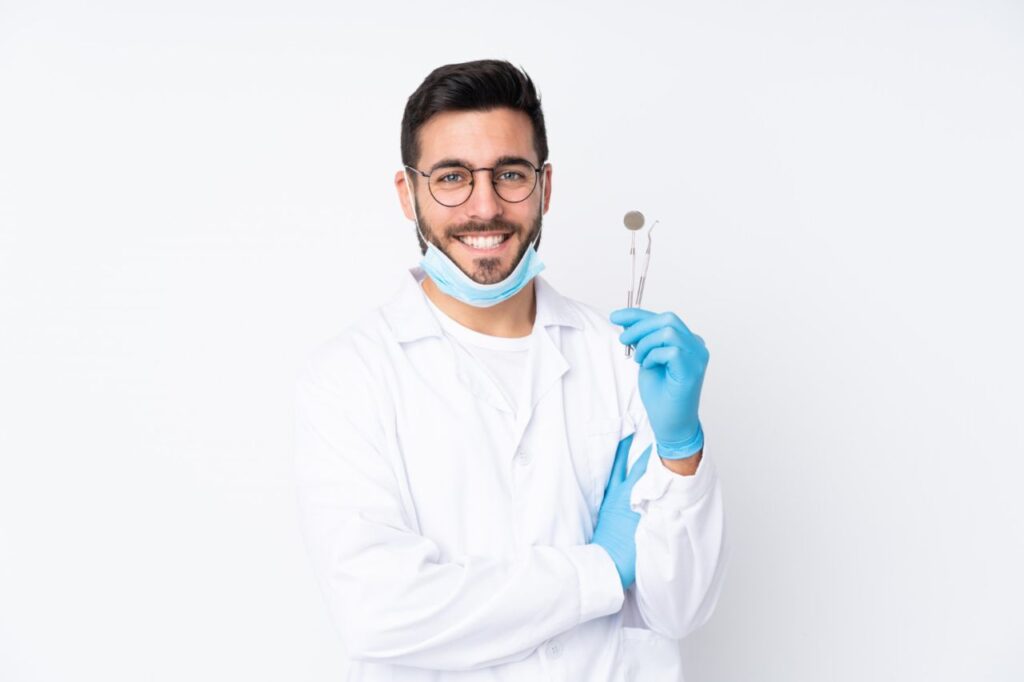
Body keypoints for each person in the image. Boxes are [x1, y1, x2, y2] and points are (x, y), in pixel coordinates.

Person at [293, 59, 728, 681]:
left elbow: (678, 610)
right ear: (408, 193)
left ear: (544, 187)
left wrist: (683, 454)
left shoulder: (621, 358)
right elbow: (380, 613)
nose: (485, 206)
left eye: (510, 174)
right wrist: (603, 568)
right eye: (451, 177)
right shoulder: (348, 378)